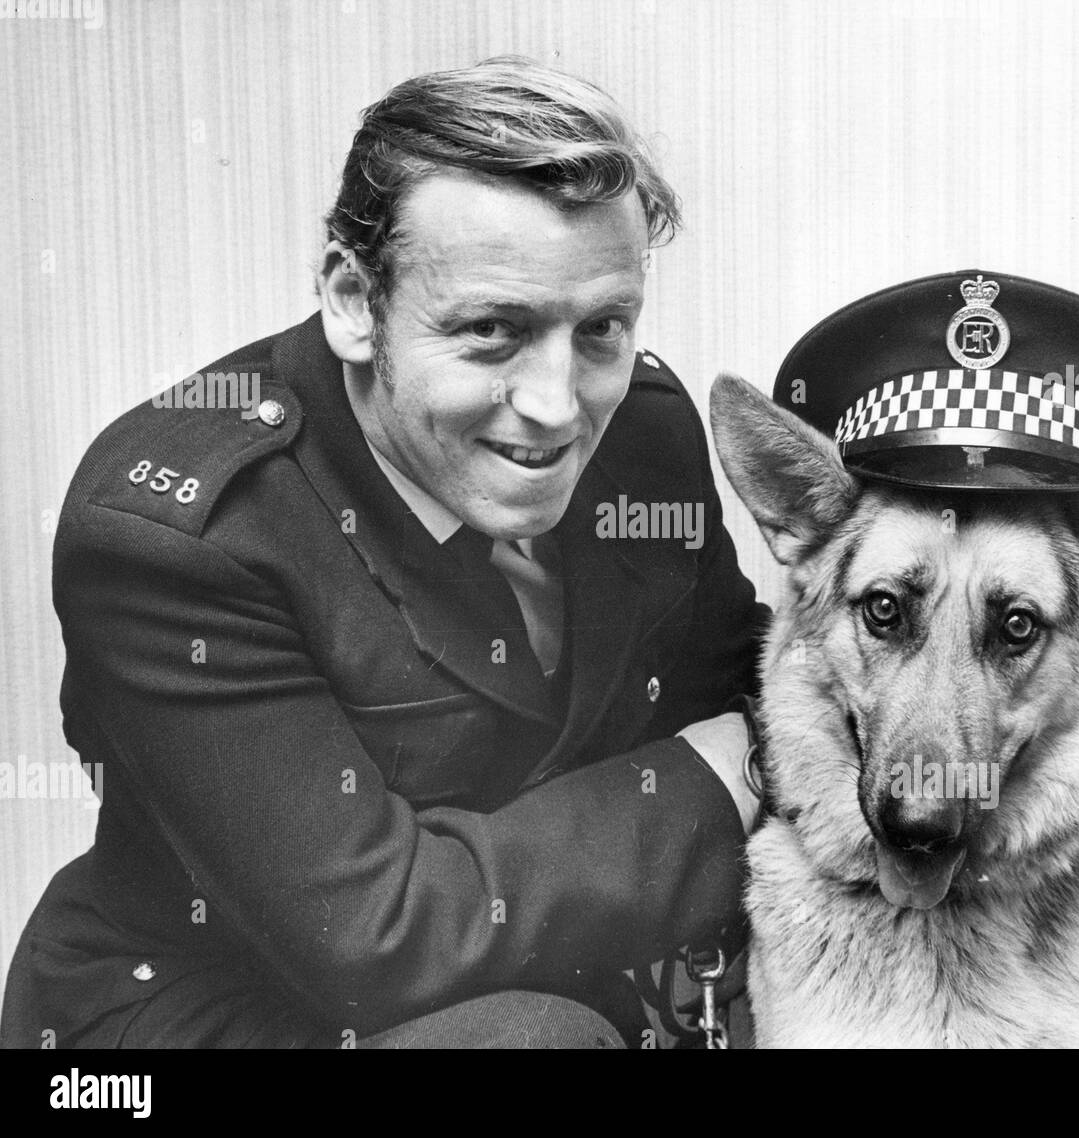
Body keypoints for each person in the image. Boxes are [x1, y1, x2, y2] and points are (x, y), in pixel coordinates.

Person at [1, 57, 765, 1049]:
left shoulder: (645, 437)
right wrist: (736, 768)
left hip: (541, 986)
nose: (557, 403)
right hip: (209, 1012)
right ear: (355, 300)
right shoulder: (182, 537)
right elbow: (375, 937)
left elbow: (734, 671)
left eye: (603, 330)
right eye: (492, 332)